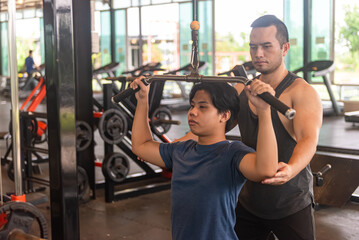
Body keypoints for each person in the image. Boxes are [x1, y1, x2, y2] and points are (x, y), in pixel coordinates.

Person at [178, 15, 323, 240]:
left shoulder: (301, 92)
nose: (258, 54)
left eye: (266, 46)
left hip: (291, 202)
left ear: (285, 48)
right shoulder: (241, 90)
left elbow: (308, 139)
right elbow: (212, 126)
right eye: (253, 47)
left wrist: (291, 169)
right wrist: (169, 149)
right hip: (249, 200)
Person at [130, 77, 278, 240]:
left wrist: (264, 112)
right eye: (192, 106)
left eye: (203, 107)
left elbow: (266, 170)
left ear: (224, 115)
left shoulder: (232, 153)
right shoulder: (181, 150)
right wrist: (142, 101)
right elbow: (141, 145)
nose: (193, 112)